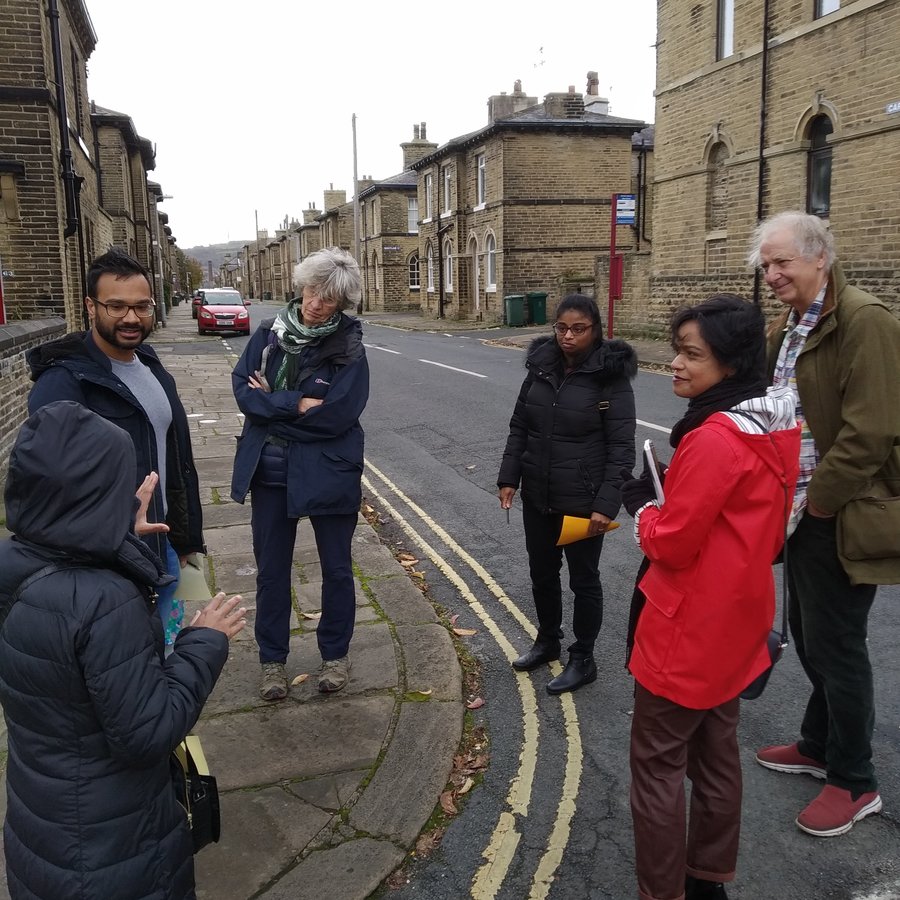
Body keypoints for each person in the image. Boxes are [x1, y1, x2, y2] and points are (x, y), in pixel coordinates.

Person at [0, 400, 246, 900]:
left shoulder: (13, 563)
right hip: (114, 850)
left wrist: (109, 534)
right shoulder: (105, 602)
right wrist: (205, 640)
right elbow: (147, 731)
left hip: (42, 822)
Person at [619, 294, 800, 900]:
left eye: (692, 354)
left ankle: (662, 892)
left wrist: (645, 503)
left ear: (730, 362)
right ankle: (708, 879)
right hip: (740, 620)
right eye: (676, 350)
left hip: (685, 630)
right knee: (718, 758)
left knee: (659, 768)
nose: (675, 363)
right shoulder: (776, 424)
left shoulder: (714, 438)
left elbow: (670, 543)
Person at [748, 211, 900, 837]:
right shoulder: (788, 325)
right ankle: (817, 744)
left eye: (782, 262)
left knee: (837, 645)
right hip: (795, 507)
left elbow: (872, 430)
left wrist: (821, 503)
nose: (773, 274)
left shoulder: (865, 322)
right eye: (766, 266)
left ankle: (855, 780)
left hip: (835, 509)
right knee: (810, 635)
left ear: (819, 258)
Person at [27, 247, 204, 647]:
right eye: (116, 306)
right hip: (110, 563)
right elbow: (47, 491)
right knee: (130, 677)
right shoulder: (65, 383)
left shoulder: (151, 364)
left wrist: (187, 538)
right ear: (91, 306)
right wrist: (116, 529)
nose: (131, 318)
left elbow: (174, 460)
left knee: (167, 656)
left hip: (163, 550)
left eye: (142, 306)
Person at [231, 246, 370, 699]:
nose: (315, 303)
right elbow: (242, 391)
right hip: (270, 473)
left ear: (341, 304)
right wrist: (294, 403)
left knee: (337, 570)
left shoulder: (348, 347)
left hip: (329, 472)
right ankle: (272, 663)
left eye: (327, 299)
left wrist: (272, 409)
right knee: (271, 572)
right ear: (301, 286)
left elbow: (338, 416)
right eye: (312, 291)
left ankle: (335, 656)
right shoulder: (268, 335)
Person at [497, 294, 637, 694]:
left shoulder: (611, 376)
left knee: (584, 580)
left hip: (583, 501)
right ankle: (547, 640)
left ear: (595, 330)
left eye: (578, 329)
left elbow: (622, 449)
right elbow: (520, 426)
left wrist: (605, 504)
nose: (568, 336)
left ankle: (584, 657)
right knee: (542, 574)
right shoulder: (540, 367)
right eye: (561, 327)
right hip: (538, 494)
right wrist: (510, 477)